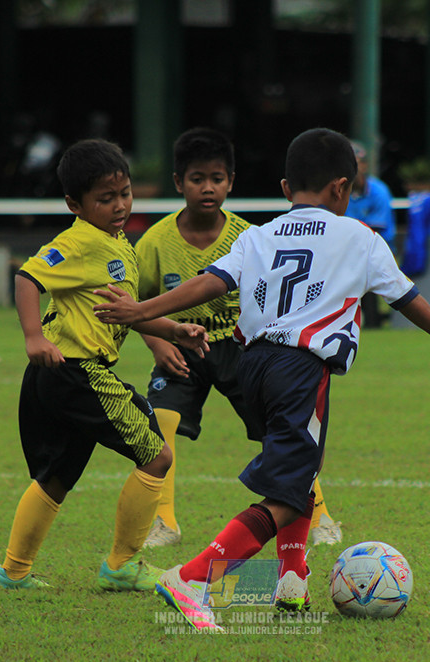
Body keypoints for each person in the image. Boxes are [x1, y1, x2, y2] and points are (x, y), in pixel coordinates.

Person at [92, 128, 430, 631]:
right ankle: (192, 578)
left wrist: (141, 310)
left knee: (300, 471)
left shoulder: (258, 235)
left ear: (284, 188)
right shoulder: (360, 237)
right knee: (285, 492)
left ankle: (291, 579)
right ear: (342, 188)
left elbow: (210, 282)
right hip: (301, 369)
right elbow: (405, 296)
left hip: (251, 364)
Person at [0, 139, 210, 592]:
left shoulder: (116, 242)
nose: (120, 205)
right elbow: (27, 278)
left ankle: (11, 573)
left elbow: (127, 310)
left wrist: (174, 330)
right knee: (158, 456)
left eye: (124, 193)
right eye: (106, 199)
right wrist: (32, 337)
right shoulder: (79, 242)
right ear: (75, 204)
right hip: (78, 372)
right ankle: (122, 565)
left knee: (56, 477)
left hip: (57, 377)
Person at [134, 127, 343, 549]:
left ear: (230, 181)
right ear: (178, 182)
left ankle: (319, 516)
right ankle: (163, 522)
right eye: (197, 179)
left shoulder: (252, 237)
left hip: (241, 349)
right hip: (182, 347)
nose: (207, 188)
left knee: (285, 431)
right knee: (160, 423)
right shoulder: (154, 242)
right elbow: (139, 304)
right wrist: (159, 344)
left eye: (216, 178)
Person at [346, 140, 396, 328]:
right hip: (348, 251)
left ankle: (375, 322)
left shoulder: (379, 190)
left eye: (356, 164)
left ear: (365, 165)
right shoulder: (340, 191)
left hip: (378, 248)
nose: (353, 169)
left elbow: (377, 229)